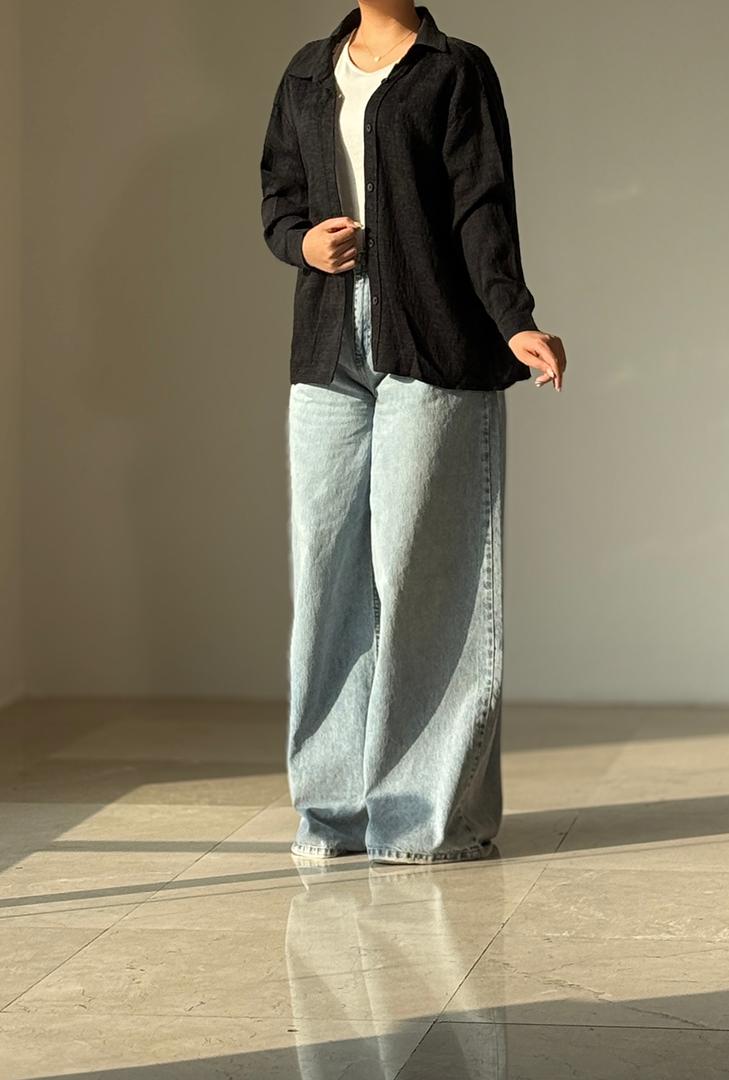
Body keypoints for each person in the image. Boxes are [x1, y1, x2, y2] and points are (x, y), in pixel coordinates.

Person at [259, 1, 567, 865]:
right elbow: (279, 197)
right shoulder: (307, 73)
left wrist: (514, 320)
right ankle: (334, 812)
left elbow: (482, 207)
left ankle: (427, 819)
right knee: (325, 580)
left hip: (432, 344)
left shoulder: (454, 69)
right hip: (328, 351)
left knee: (422, 579)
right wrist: (302, 246)